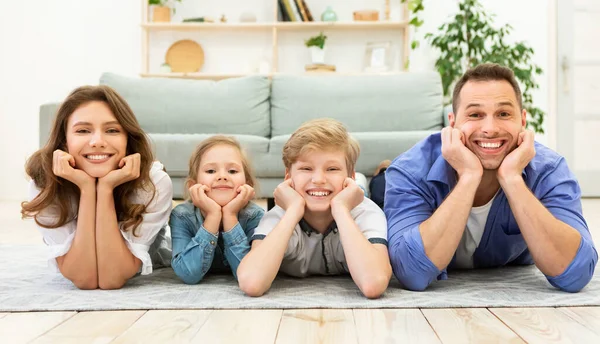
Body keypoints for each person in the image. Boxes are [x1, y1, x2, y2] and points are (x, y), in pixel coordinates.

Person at [384, 63, 597, 292]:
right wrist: (468, 177)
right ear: (453, 122)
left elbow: (576, 273)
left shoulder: (550, 170)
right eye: (475, 114)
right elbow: (411, 273)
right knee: (379, 186)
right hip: (394, 183)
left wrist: (513, 179)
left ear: (522, 121)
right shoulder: (409, 171)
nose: (490, 128)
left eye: (503, 114)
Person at [21, 85, 173, 290]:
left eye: (112, 130)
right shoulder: (45, 183)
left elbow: (112, 279)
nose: (98, 142)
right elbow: (84, 279)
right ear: (64, 142)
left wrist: (105, 189)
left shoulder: (153, 183)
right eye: (83, 130)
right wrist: (86, 189)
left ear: (128, 139)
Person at [237, 118, 392, 298]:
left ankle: (375, 176)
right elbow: (251, 282)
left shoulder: (367, 212)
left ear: (349, 176)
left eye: (332, 169)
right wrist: (294, 210)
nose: (318, 179)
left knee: (377, 189)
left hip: (351, 197)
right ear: (288, 177)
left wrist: (341, 209)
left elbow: (373, 284)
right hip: (323, 195)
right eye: (306, 168)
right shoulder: (278, 216)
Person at [169, 136, 264, 284]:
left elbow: (250, 276)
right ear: (193, 185)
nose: (222, 176)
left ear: (247, 184)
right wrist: (213, 216)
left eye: (232, 171)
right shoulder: (182, 215)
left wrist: (230, 215)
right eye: (211, 170)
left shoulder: (255, 216)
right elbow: (188, 273)